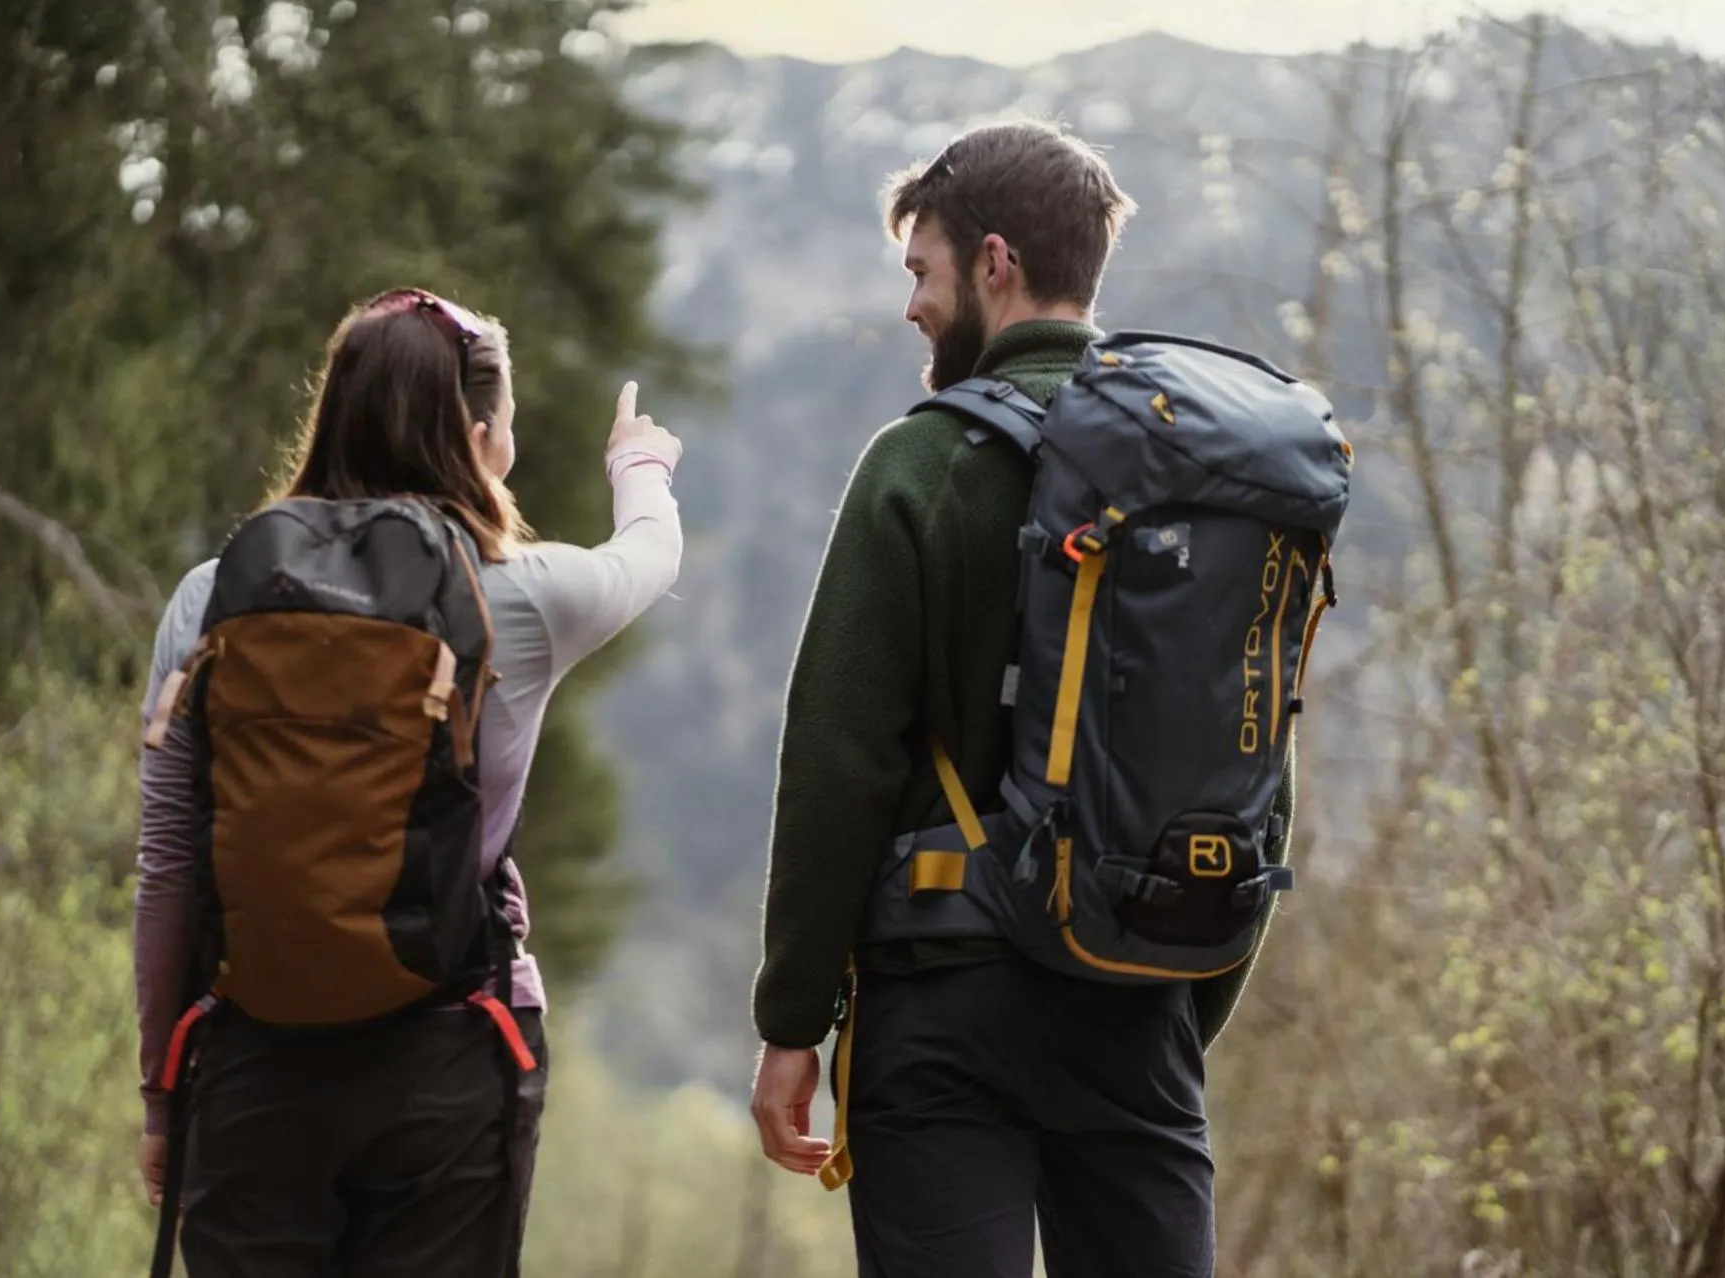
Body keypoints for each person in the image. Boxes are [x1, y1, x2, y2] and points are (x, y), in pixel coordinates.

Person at [750, 121, 1288, 1277]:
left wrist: (792, 1020)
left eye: (921, 271)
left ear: (994, 263)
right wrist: (1172, 999)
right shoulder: (1202, 481)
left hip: (944, 1005)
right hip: (1136, 997)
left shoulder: (922, 462)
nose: (911, 307)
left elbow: (838, 753)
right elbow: (1251, 763)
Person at [133, 286, 683, 1276]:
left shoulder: (210, 601)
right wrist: (638, 465)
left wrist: (161, 1091)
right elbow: (649, 555)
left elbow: (169, 866)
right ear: (477, 436)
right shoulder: (523, 598)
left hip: (250, 1058)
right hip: (447, 1055)